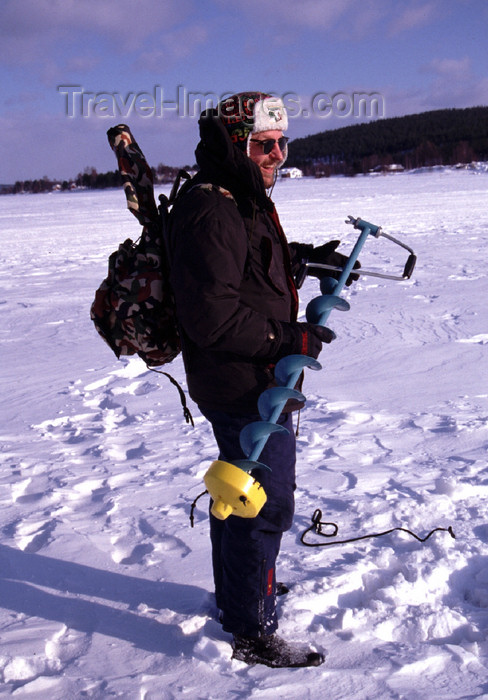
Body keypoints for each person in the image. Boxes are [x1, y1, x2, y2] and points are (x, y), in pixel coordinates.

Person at [165, 92, 358, 668]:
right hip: (241, 379)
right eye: (263, 144)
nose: (276, 154)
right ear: (235, 144)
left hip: (254, 374)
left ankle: (241, 594)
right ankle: (252, 628)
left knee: (239, 488)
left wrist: (298, 258)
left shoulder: (239, 196)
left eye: (281, 143)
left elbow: (244, 266)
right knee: (264, 502)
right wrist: (288, 340)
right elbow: (212, 315)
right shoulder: (212, 207)